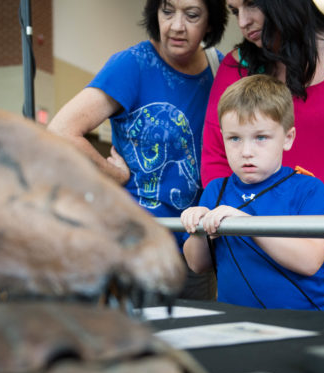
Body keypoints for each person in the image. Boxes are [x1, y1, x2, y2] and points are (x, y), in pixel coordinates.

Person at [200, 0, 324, 324]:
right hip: (255, 249)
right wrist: (230, 221)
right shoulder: (237, 66)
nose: (243, 21)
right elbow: (215, 156)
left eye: (251, 5)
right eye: (235, 10)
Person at [48, 0, 228, 300]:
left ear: (210, 22)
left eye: (192, 15)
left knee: (195, 340)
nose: (176, 26)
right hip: (136, 246)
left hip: (194, 248)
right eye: (167, 11)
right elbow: (60, 131)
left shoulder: (218, 68)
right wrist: (111, 174)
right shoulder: (133, 64)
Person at [182, 74, 324, 310]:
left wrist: (247, 225)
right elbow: (197, 264)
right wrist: (200, 230)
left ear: (287, 138)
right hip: (235, 322)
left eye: (261, 138)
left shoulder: (309, 189)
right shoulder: (216, 190)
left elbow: (309, 262)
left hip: (303, 322)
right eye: (234, 138)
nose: (246, 151)